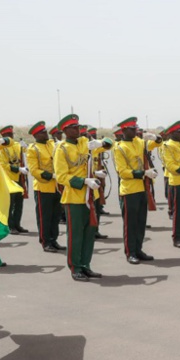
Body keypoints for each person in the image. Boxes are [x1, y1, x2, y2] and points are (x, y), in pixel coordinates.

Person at [53, 114, 112, 281]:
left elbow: (110, 144)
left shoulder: (85, 143)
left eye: (78, 127)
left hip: (90, 196)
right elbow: (61, 176)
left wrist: (101, 143)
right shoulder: (61, 149)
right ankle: (75, 267)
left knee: (89, 233)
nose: (77, 130)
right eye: (73, 127)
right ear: (65, 130)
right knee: (76, 235)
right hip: (74, 198)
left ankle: (86, 265)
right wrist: (84, 181)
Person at [113, 117, 162, 261]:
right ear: (124, 130)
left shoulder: (140, 142)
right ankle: (130, 252)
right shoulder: (120, 147)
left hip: (142, 188)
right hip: (129, 190)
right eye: (132, 129)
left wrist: (155, 137)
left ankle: (138, 249)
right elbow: (122, 172)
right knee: (130, 224)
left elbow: (157, 143)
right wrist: (143, 173)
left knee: (141, 222)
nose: (136, 131)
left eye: (136, 129)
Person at [26, 121, 65, 253]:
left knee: (55, 216)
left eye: (45, 131)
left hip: (56, 186)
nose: (46, 133)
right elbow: (34, 170)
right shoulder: (33, 149)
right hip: (43, 187)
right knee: (44, 217)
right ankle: (45, 242)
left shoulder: (52, 144)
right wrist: (51, 176)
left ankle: (53, 240)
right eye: (43, 132)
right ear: (36, 135)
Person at [0, 125, 29, 235]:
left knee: (19, 202)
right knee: (10, 204)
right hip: (8, 179)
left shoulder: (15, 145)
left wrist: (25, 147)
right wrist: (18, 169)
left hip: (19, 177)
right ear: (3, 136)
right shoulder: (0, 148)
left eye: (11, 134)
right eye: (8, 135)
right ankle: (10, 225)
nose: (11, 137)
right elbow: (3, 165)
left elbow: (25, 152)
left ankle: (17, 224)